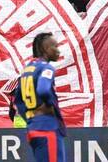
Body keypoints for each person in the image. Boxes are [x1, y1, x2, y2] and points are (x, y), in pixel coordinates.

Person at [13, 32, 66, 162]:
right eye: (55, 46)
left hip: (33, 128)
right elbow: (43, 89)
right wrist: (49, 106)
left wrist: (30, 119)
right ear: (45, 49)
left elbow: (18, 101)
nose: (58, 51)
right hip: (47, 127)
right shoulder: (46, 68)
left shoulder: (26, 70)